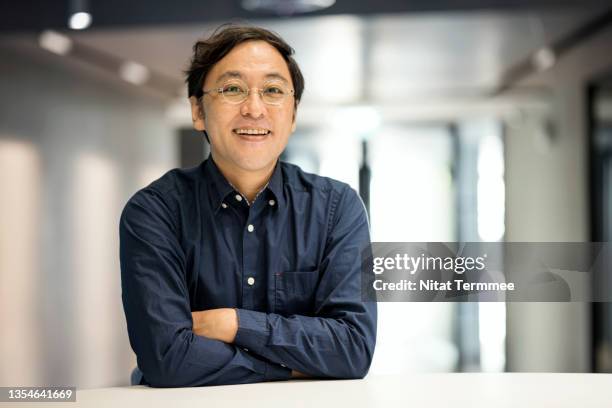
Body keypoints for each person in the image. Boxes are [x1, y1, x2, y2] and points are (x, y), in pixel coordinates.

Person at [119, 24, 377, 387]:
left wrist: (231, 323)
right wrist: (295, 365)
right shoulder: (155, 212)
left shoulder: (336, 208)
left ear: (292, 114)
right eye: (232, 89)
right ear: (197, 111)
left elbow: (352, 348)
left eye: (272, 91)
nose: (254, 109)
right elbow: (167, 359)